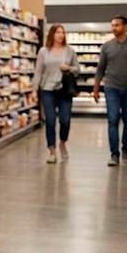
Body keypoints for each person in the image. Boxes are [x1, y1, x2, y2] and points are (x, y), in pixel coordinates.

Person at [91, 15, 127, 166]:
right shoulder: (107, 46)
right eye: (112, 25)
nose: (114, 28)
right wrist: (96, 88)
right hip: (111, 88)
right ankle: (114, 154)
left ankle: (125, 150)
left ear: (125, 27)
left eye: (117, 25)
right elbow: (100, 68)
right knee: (113, 119)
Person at [32, 24, 78, 163]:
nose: (60, 35)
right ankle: (52, 151)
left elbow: (77, 70)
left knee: (65, 120)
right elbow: (38, 71)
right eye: (58, 32)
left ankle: (62, 142)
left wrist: (69, 68)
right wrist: (35, 90)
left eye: (62, 32)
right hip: (47, 90)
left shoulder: (70, 51)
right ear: (52, 34)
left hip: (64, 90)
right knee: (50, 121)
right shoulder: (43, 51)